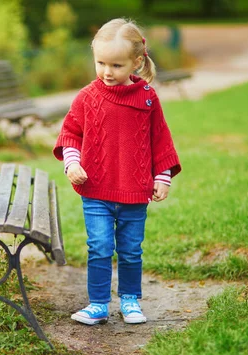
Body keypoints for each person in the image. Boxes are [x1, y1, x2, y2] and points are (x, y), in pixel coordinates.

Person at [53, 18, 181, 325]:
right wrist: (73, 163)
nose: (107, 72)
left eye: (116, 65)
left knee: (130, 250)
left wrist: (162, 176)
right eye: (101, 63)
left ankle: (130, 300)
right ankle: (98, 303)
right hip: (96, 188)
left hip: (135, 191)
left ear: (136, 62)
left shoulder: (147, 98)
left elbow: (160, 139)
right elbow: (71, 133)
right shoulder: (87, 97)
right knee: (99, 247)